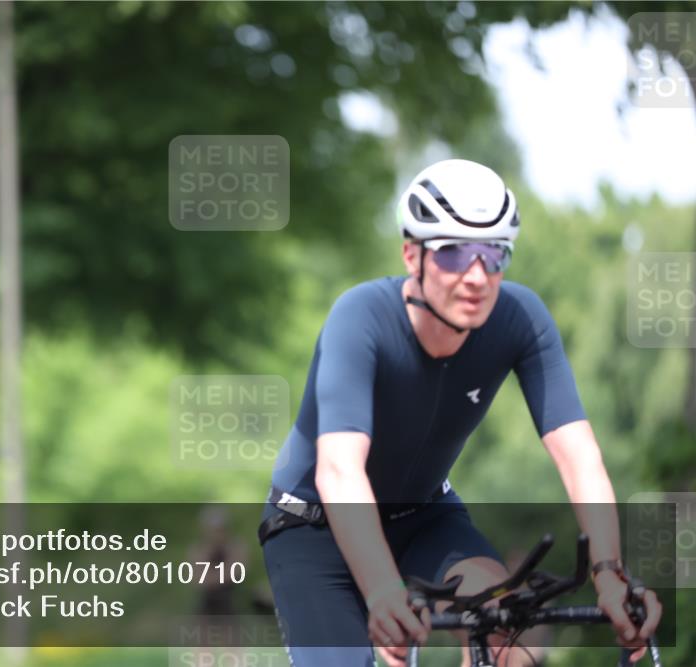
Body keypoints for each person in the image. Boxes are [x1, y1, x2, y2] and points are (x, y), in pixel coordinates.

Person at [259, 159, 662, 667]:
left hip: (425, 518)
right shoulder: (360, 318)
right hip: (313, 525)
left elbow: (579, 457)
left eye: (493, 255)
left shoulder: (520, 319)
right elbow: (340, 469)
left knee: (504, 630)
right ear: (412, 254)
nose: (475, 276)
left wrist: (609, 573)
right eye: (453, 253)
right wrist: (383, 590)